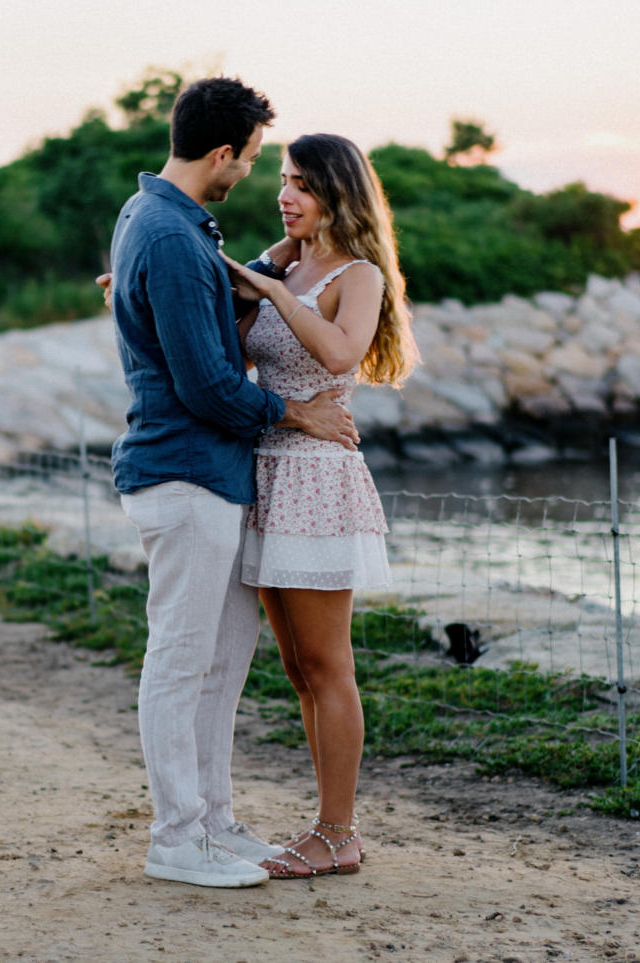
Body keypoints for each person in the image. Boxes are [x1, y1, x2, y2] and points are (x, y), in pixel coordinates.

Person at [106, 78, 362, 889]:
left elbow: (206, 299)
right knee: (180, 662)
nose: (254, 176)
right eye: (254, 162)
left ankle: (213, 821)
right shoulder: (173, 237)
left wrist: (271, 264)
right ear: (221, 153)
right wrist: (298, 414)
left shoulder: (160, 219)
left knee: (219, 662)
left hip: (211, 477)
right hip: (183, 472)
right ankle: (177, 837)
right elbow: (210, 385)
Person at [219, 133, 417, 878]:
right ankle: (325, 827)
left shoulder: (358, 274)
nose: (285, 193)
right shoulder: (288, 261)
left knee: (330, 663)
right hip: (266, 473)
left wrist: (274, 290)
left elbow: (339, 354)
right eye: (282, 178)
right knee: (299, 666)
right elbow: (231, 337)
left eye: (301, 182)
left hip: (316, 479)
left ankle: (339, 830)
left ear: (337, 191)